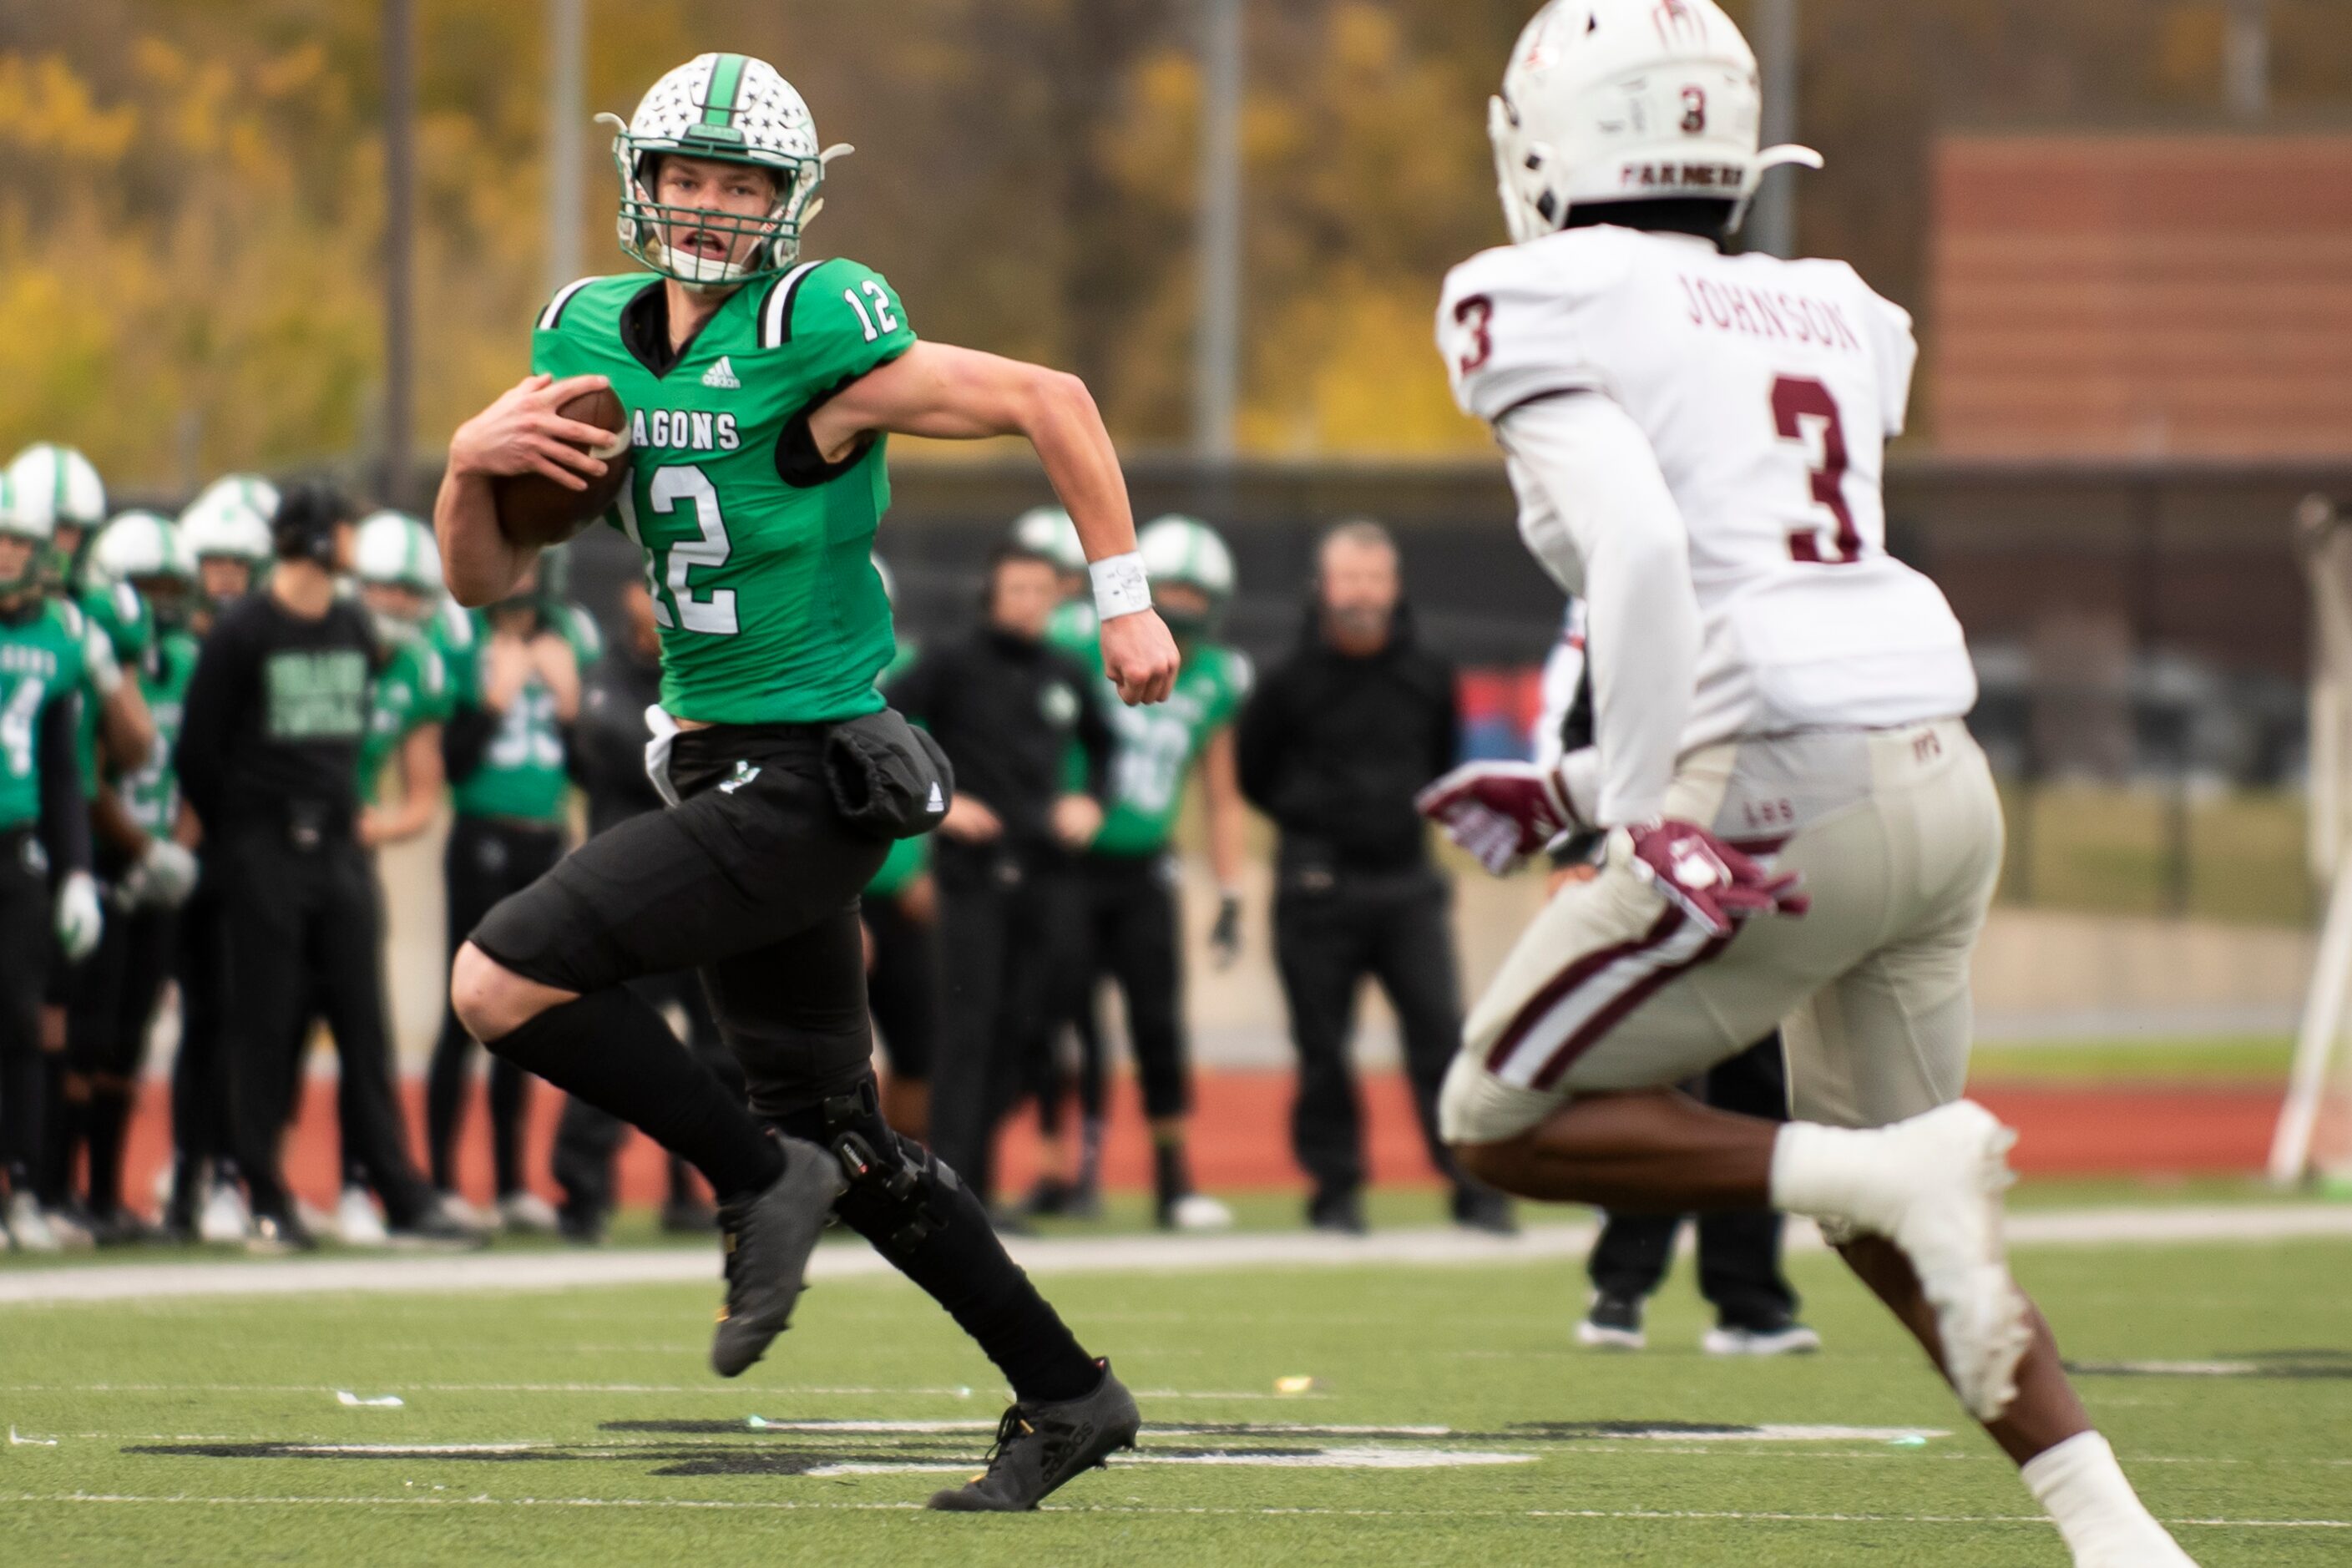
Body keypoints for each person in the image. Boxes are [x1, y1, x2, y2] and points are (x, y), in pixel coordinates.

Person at [1417, 7, 2195, 1564]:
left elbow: (1642, 552)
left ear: (1546, 140)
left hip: (1773, 780)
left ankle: (1882, 1167)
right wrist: (1577, 781)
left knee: (1497, 1113)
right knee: (1899, 1220)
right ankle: (2116, 1533)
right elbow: (1756, 532)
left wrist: (1631, 801)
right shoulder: (1831, 305)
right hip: (1933, 778)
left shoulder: (1536, 292)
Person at [433, 52, 1177, 1510]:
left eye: (740, 182)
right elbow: (480, 577)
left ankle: (749, 1171)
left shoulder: (814, 328)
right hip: (713, 763)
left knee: (494, 983)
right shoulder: (591, 332)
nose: (708, 205)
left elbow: (1054, 394)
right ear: (640, 182)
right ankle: (1069, 1391)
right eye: (688, 177)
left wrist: (1123, 594)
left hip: (808, 774)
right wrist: (467, 464)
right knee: (853, 1139)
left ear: (791, 201)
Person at [174, 481, 470, 1252]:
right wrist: (241, 830)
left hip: (338, 848)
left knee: (363, 1025)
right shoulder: (242, 631)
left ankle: (398, 1195)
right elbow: (196, 752)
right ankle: (262, 1193)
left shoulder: (348, 625)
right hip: (263, 850)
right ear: (311, 537)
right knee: (265, 1027)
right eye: (342, 530)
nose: (353, 544)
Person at [1537, 599, 1814, 1355]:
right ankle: (1621, 1285)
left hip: (1745, 863)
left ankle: (1748, 1298)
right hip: (1648, 866)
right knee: (1652, 1081)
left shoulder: (1767, 600)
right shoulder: (1634, 596)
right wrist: (1570, 853)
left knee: (1752, 1082)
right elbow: (1582, 736)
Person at [1237, 519, 1512, 1236]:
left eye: (1374, 578)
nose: (1361, 593)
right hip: (1316, 889)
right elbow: (1252, 774)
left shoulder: (1430, 669)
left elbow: (1443, 758)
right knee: (1322, 1047)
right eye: (1347, 578)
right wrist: (1318, 821)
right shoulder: (1285, 678)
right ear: (1321, 588)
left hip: (1406, 884)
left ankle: (1474, 1189)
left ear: (1393, 587)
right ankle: (1335, 1193)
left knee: (1439, 1038)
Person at [887, 545, 1114, 1217]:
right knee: (966, 1030)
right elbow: (884, 721)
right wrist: (940, 802)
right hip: (971, 877)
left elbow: (1106, 747)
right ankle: (955, 1192)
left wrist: (1091, 801)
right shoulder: (951, 663)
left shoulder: (1064, 671)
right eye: (1016, 588)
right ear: (991, 593)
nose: (1028, 601)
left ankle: (981, 1181)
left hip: (1043, 875)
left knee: (1026, 1030)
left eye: (1041, 590)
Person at [1037, 515, 1249, 1231]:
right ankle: (1062, 1169)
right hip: (1069, 861)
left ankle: (1172, 1179)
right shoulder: (1075, 634)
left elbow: (1222, 797)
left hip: (1146, 868)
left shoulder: (1218, 674)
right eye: (1175, 585)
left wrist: (1229, 890)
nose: (1185, 600)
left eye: (1197, 589)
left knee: (1157, 1020)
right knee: (1061, 1017)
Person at [550, 575, 743, 1242]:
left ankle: (729, 1189)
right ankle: (582, 1194)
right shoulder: (605, 678)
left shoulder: (709, 672)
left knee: (724, 1049)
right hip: (630, 891)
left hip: (705, 887)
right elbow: (632, 755)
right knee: (612, 1042)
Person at [426, 554, 597, 1235]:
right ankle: (439, 1182)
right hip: (479, 837)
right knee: (461, 1011)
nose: (520, 580)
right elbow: (451, 764)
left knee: (522, 1015)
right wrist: (496, 700)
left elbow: (588, 769)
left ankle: (509, 1183)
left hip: (545, 838)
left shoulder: (574, 640)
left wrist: (567, 709)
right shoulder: (460, 639)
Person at [63, 513, 204, 1243]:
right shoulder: (93, 667)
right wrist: (143, 849)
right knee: (82, 1035)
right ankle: (58, 1193)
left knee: (128, 1038)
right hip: (108, 857)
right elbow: (86, 777)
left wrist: (175, 849)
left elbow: (201, 769)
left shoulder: (187, 661)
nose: (159, 604)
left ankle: (107, 1196)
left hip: (161, 865)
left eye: (168, 587)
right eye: (144, 588)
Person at [163, 478, 277, 1243]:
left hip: (244, 852)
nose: (227, 577)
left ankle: (238, 1175)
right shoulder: (170, 651)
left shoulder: (268, 646)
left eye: (240, 564)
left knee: (246, 1020)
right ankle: (185, 1178)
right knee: (200, 1022)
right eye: (214, 564)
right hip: (184, 855)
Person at [0, 473, 105, 1252]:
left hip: (19, 850)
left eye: (19, 543)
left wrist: (75, 871)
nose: (7, 556)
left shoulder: (61, 635)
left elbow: (64, 767)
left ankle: (27, 1191)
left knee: (25, 1021)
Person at [860, 554, 938, 1144]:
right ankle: (827, 1184)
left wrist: (929, 867)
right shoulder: (793, 674)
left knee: (919, 1045)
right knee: (831, 1058)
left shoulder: (913, 671)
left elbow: (938, 772)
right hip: (830, 895)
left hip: (904, 891)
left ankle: (902, 1178)